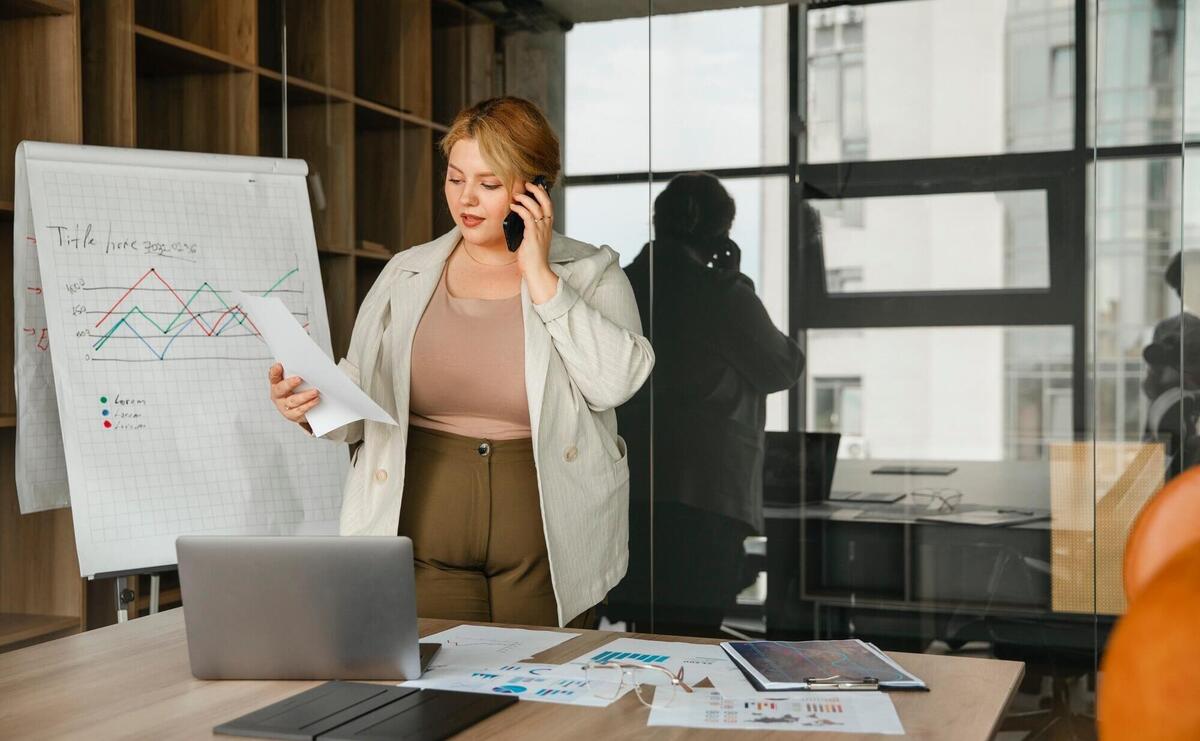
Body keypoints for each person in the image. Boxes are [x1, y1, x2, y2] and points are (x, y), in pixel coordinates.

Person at [267, 96, 654, 628]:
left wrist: (539, 275)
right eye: (455, 179)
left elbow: (614, 383)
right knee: (438, 693)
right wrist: (311, 407)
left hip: (548, 536)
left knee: (541, 695)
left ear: (534, 189)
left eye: (488, 184)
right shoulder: (407, 272)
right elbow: (360, 402)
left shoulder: (590, 273)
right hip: (422, 523)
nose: (466, 199)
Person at [608, 172, 806, 636]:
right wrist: (734, 279)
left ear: (658, 222)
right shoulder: (719, 293)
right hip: (705, 492)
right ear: (721, 233)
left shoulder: (623, 286)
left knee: (647, 628)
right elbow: (782, 367)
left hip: (631, 485)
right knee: (693, 635)